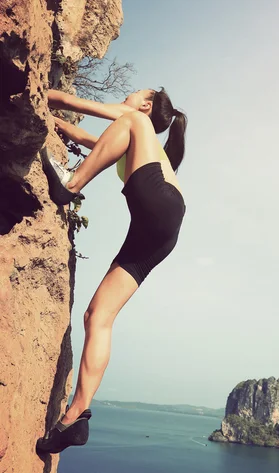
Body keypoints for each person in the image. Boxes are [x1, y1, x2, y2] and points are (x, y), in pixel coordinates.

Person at [36, 88, 187, 454]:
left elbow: (86, 107)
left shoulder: (136, 122)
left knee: (126, 118)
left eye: (134, 94)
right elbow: (88, 138)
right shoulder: (136, 146)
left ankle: (69, 185)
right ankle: (75, 416)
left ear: (147, 104)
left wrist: (42, 94)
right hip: (162, 231)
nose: (127, 95)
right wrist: (52, 123)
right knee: (98, 316)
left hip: (160, 207)